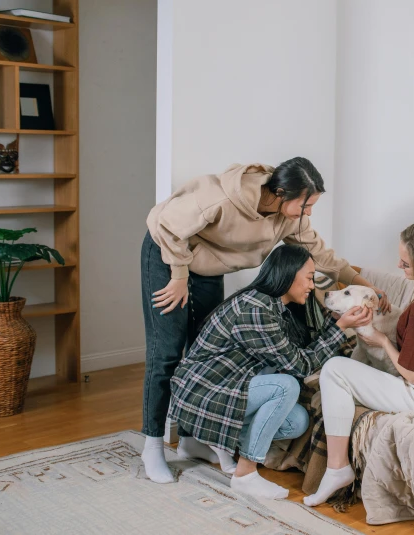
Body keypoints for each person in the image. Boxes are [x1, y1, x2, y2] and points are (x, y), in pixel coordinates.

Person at [141, 157, 390, 483]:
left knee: (203, 347)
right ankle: (153, 446)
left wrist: (367, 286)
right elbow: (165, 225)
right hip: (168, 254)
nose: (309, 213)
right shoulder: (222, 199)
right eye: (306, 205)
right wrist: (177, 275)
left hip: (209, 265)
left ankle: (191, 441)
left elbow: (323, 256)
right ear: (281, 192)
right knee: (167, 352)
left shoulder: (289, 219)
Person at [168, 245, 372, 499]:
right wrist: (340, 327)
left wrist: (334, 320)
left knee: (296, 422)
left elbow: (299, 353)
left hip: (227, 386)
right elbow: (300, 366)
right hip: (204, 392)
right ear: (288, 274)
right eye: (309, 277)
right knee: (286, 385)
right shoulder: (256, 309)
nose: (312, 285)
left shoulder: (274, 305)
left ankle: (204, 442)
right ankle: (245, 474)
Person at [304, 221, 414, 507]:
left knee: (334, 369)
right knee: (345, 370)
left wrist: (382, 340)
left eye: (406, 263)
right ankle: (337, 467)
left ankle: (337, 468)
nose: (399, 265)